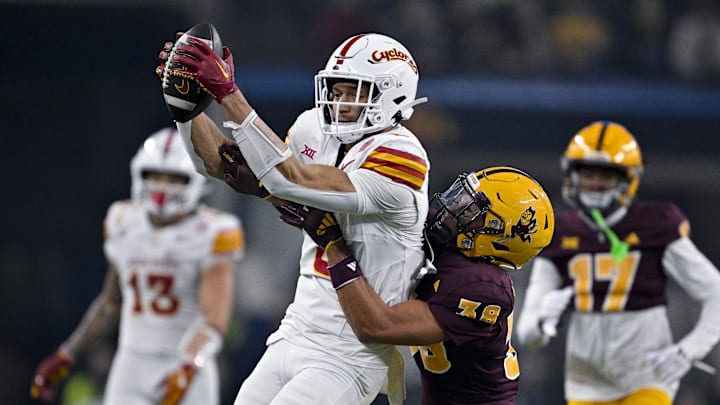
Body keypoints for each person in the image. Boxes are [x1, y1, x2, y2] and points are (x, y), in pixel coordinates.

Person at [160, 32, 430, 404]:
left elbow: (289, 178)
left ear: (393, 94)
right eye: (337, 90)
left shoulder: (402, 156)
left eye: (355, 91)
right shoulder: (314, 128)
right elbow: (224, 165)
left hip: (349, 353)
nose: (340, 102)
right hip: (296, 328)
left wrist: (227, 93)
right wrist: (186, 108)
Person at [278, 166, 555, 404]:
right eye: (463, 197)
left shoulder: (483, 288)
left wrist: (334, 246)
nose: (455, 207)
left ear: (502, 236)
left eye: (473, 211)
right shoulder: (448, 241)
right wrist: (271, 187)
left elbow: (376, 326)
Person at [30, 128, 245, 405]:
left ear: (193, 181)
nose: (162, 186)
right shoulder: (123, 221)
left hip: (185, 364)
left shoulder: (213, 231)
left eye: (173, 178)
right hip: (132, 363)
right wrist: (67, 353)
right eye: (154, 176)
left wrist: (189, 366)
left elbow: (214, 321)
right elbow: (110, 305)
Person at [515, 121, 720, 404]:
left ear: (628, 179)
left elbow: (715, 291)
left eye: (605, 175)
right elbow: (527, 335)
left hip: (646, 378)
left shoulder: (655, 225)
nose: (595, 183)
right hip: (585, 383)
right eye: (587, 173)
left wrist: (690, 350)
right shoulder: (559, 233)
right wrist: (543, 320)